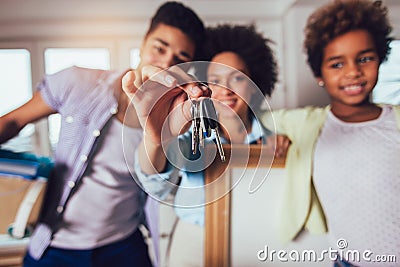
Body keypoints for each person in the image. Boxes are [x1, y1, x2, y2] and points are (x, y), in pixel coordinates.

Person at [0, 2, 205, 266]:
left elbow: (159, 184)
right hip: (54, 247)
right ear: (143, 44)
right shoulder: (78, 83)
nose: (166, 62)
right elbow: (14, 120)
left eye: (180, 58)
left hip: (124, 248)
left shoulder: (179, 121)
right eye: (160, 47)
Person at [123, 24, 289, 266]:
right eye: (215, 79)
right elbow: (154, 185)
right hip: (193, 240)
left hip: (253, 238)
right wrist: (156, 140)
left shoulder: (275, 138)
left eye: (238, 78)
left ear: (254, 87)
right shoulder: (190, 136)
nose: (227, 89)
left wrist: (282, 149)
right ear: (204, 87)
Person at [257, 0, 400, 266]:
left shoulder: (396, 120)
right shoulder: (307, 124)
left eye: (365, 58)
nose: (353, 72)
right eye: (337, 64)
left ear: (380, 58)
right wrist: (267, 138)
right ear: (318, 73)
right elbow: (253, 119)